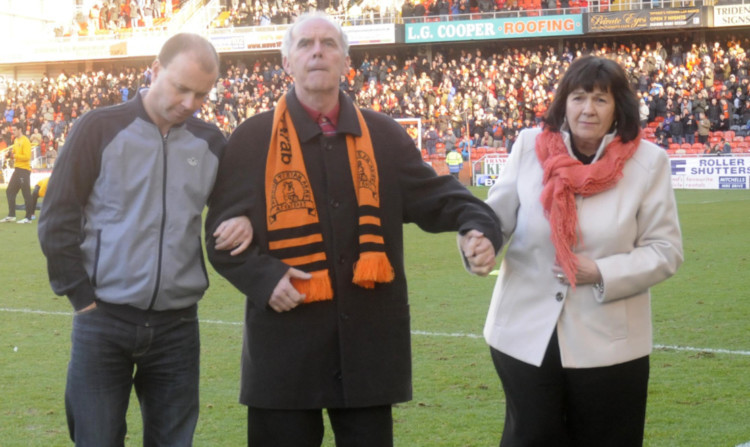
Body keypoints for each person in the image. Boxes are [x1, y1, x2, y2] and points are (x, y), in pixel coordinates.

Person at [204, 12, 502, 447]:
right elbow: (221, 235)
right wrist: (264, 280)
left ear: (347, 61)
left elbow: (437, 196)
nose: (317, 51)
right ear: (286, 61)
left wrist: (479, 226)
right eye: (305, 44)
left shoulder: (383, 136)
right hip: (284, 352)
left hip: (368, 350)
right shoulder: (253, 138)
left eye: (328, 43)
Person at [37, 33, 252, 446]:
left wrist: (244, 218)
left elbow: (236, 204)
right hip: (102, 320)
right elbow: (57, 216)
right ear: (155, 70)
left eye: (202, 95)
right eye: (181, 88)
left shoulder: (210, 143)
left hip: (177, 327)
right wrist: (79, 295)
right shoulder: (99, 128)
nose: (190, 103)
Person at [479, 56, 683, 446]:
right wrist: (479, 239)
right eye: (578, 97)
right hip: (524, 335)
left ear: (618, 108)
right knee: (531, 437)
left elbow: (665, 250)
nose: (587, 109)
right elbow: (497, 216)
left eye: (601, 99)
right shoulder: (528, 147)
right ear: (563, 103)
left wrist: (602, 272)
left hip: (610, 345)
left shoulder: (649, 162)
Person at [1, 123, 34, 224]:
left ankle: (28, 218)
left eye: (15, 130)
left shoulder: (26, 141)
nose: (13, 132)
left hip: (24, 170)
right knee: (10, 191)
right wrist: (9, 155)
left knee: (26, 193)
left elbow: (27, 157)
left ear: (20, 129)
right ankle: (11, 215)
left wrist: (14, 155)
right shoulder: (16, 140)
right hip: (17, 169)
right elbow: (14, 153)